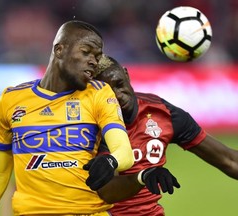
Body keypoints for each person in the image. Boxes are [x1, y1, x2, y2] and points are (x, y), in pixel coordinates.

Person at [0, 21, 135, 216]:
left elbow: (125, 152)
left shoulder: (99, 94)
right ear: (59, 50)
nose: (93, 61)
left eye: (97, 56)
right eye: (86, 52)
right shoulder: (11, 100)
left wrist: (111, 161)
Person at [90, 54, 238, 216]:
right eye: (109, 93)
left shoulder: (162, 112)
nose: (118, 95)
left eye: (119, 84)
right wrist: (143, 176)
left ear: (126, 74)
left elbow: (229, 160)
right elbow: (108, 191)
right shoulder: (95, 126)